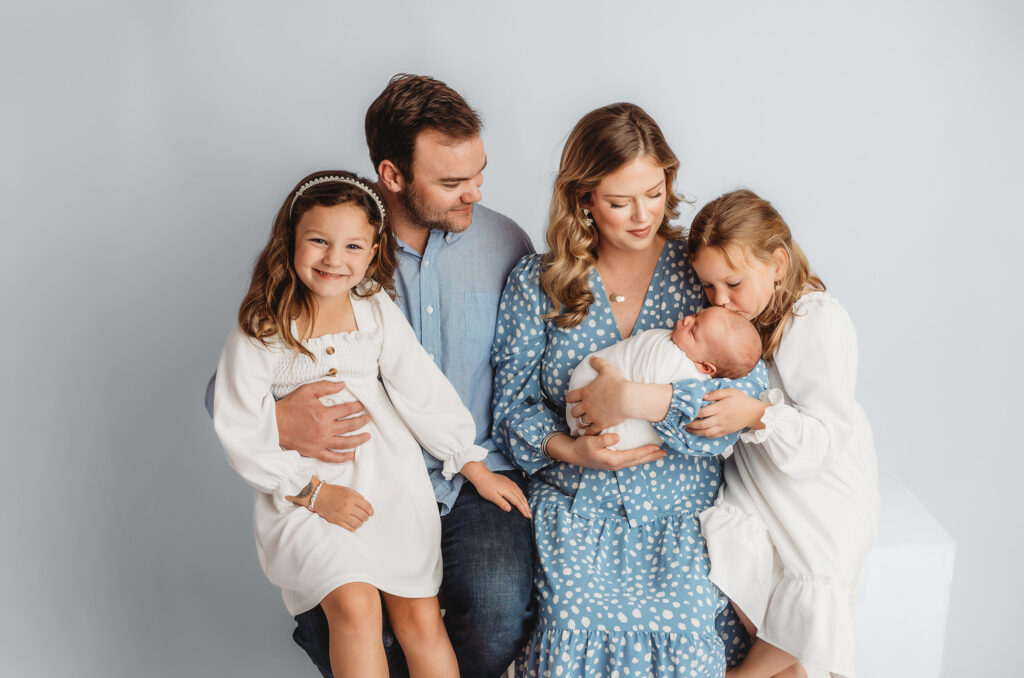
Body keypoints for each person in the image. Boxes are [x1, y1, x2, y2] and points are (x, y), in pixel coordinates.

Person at [208, 74, 537, 678]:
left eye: (478, 173)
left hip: (436, 480)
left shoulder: (499, 246)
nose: (475, 193)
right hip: (321, 485)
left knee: (470, 618)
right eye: (452, 181)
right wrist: (287, 439)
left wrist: (472, 460)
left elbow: (431, 384)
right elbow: (231, 404)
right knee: (350, 611)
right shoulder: (289, 304)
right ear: (394, 175)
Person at [491, 103, 767, 677]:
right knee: (574, 624)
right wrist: (570, 449)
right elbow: (512, 407)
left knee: (685, 633)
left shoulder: (699, 271)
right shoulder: (540, 284)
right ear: (583, 199)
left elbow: (745, 397)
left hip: (679, 510)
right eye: (619, 202)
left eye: (655, 193)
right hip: (576, 504)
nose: (642, 216)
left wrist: (643, 402)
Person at [684, 190, 879, 678]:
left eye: (732, 283)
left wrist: (755, 415)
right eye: (708, 288)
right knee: (737, 546)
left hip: (817, 476)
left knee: (813, 573)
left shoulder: (815, 319)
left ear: (777, 263)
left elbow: (825, 434)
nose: (720, 301)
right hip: (762, 473)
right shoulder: (742, 316)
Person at [566, 306, 762, 448]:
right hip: (587, 393)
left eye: (693, 331)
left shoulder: (684, 368)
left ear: (705, 367)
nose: (686, 320)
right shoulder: (669, 351)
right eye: (695, 315)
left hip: (587, 413)